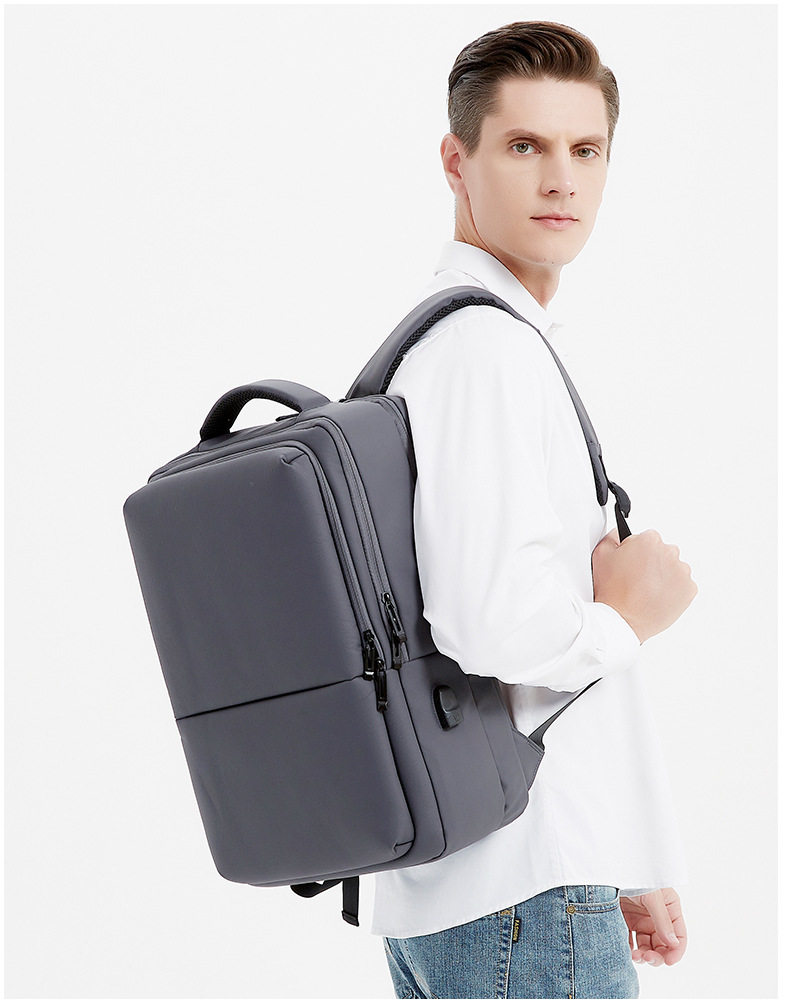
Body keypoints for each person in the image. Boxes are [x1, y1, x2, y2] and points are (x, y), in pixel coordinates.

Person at [374, 20, 698, 999]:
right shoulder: (487, 352)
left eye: (585, 150)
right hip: (524, 895)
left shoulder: (456, 339)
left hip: (494, 884)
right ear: (455, 160)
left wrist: (618, 854)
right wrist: (626, 618)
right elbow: (489, 628)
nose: (561, 180)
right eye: (525, 146)